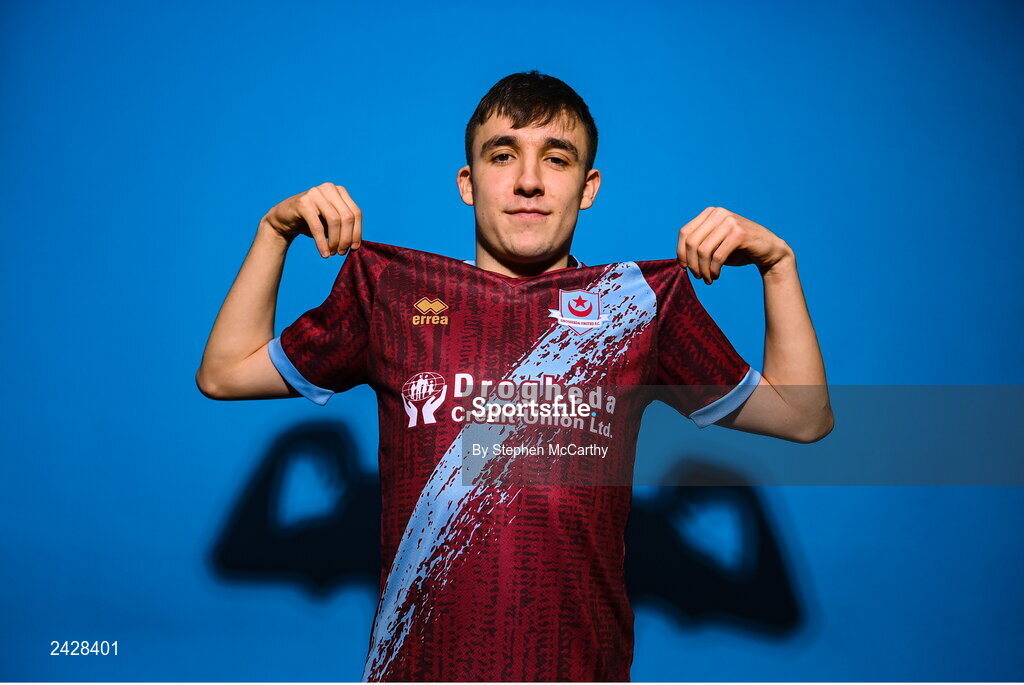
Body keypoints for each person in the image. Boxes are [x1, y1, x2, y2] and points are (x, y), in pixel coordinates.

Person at [196, 70, 833, 682]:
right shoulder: (390, 291)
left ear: (588, 187)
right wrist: (273, 233)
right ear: (468, 183)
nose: (529, 181)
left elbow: (802, 416)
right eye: (503, 156)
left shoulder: (637, 305)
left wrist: (779, 267)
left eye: (556, 159)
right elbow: (225, 374)